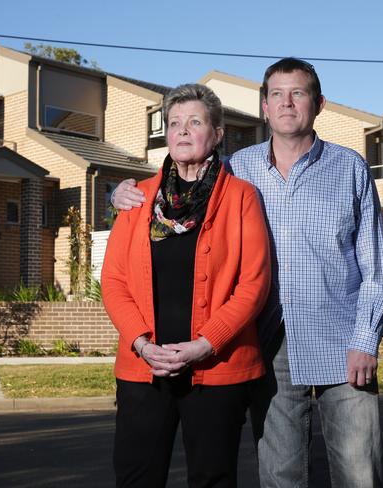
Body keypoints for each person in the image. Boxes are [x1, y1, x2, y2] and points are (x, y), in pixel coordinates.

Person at [112, 59, 383, 487]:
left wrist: (365, 340)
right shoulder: (236, 169)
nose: (286, 103)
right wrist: (116, 195)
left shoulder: (349, 168)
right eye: (276, 95)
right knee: (281, 475)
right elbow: (178, 187)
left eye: (297, 93)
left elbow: (378, 268)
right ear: (264, 108)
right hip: (271, 346)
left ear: (318, 104)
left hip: (341, 343)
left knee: (358, 474)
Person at [102, 83, 271, 488]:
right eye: (174, 122)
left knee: (212, 478)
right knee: (135, 477)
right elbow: (114, 280)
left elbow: (254, 283)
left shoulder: (242, 197)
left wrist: (204, 344)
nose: (181, 130)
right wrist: (141, 343)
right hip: (144, 368)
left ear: (216, 134)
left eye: (194, 122)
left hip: (215, 369)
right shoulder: (136, 199)